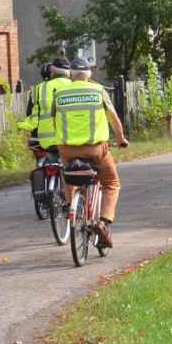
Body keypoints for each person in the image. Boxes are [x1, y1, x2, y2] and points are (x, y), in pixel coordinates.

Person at [51, 57, 128, 249]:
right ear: (89, 75)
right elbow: (113, 117)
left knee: (68, 172)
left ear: (71, 75)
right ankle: (103, 222)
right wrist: (120, 139)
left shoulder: (59, 94)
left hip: (67, 150)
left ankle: (71, 205)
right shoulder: (98, 91)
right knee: (111, 183)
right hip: (95, 150)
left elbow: (55, 122)